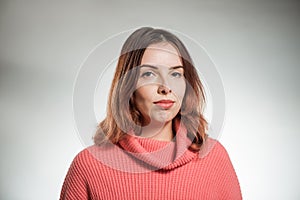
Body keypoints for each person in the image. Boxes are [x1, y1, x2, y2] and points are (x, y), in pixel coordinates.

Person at [60, 27, 242, 199]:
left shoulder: (214, 157)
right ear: (127, 87)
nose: (165, 87)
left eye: (176, 74)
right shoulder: (88, 165)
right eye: (149, 74)